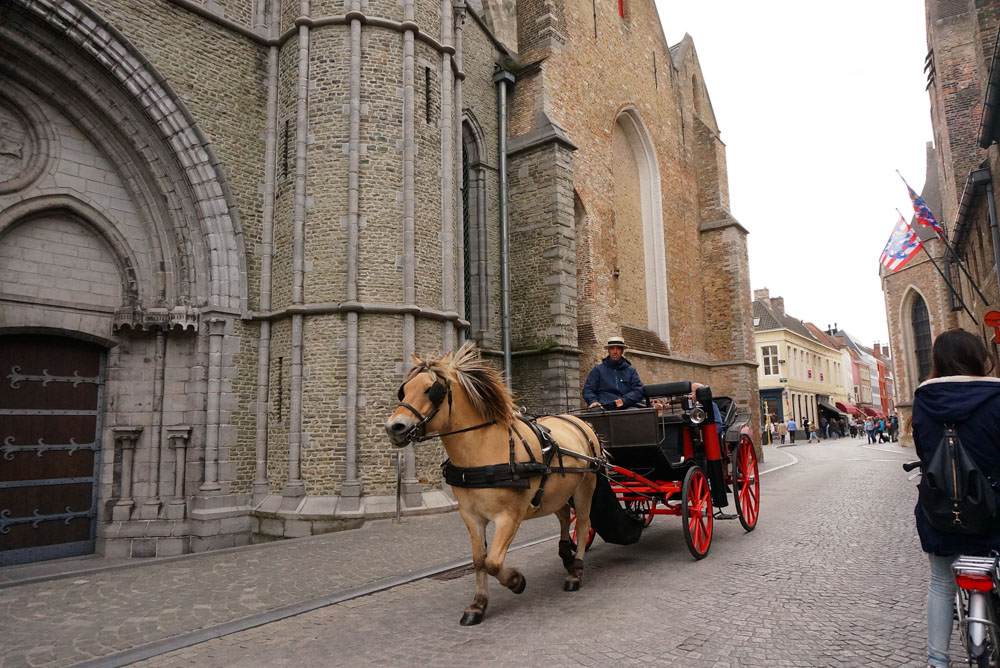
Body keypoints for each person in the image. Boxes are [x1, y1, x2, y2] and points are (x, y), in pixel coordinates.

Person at [910, 328, 1000, 668]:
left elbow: (924, 451)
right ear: (979, 358)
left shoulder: (924, 399)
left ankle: (937, 659)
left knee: (941, 582)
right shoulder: (995, 397)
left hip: (941, 510)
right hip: (992, 508)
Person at [582, 337, 644, 409]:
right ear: (608, 351)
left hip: (627, 407)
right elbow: (588, 390)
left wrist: (624, 401)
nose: (615, 351)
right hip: (604, 407)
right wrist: (593, 401)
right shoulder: (597, 370)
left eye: (618, 348)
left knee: (635, 412)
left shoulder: (631, 371)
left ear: (622, 351)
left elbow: (638, 391)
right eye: (612, 348)